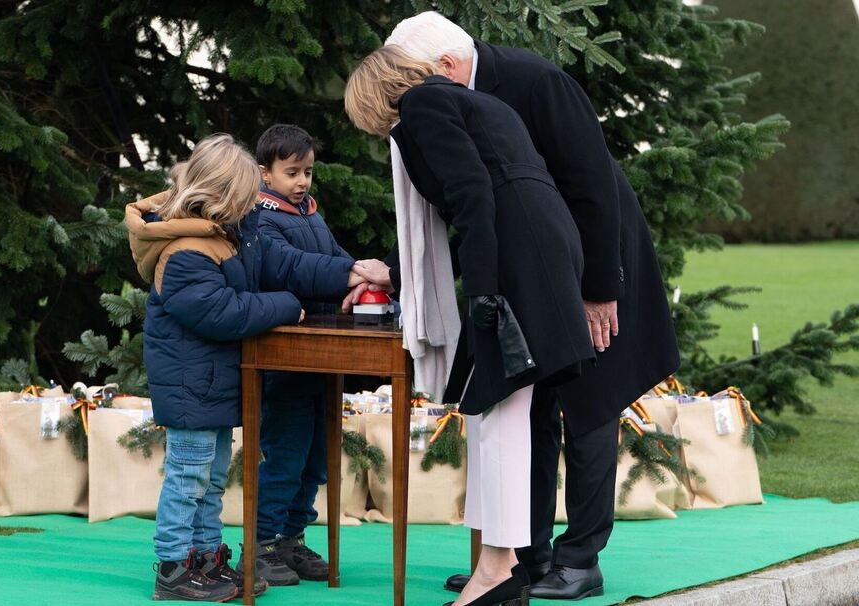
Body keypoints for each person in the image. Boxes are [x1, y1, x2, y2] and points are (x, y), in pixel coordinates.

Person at [350, 12, 681, 601]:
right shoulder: (458, 98)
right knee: (529, 406)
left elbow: (591, 184)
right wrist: (402, 275)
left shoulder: (534, 81)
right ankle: (524, 556)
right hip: (534, 260)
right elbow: (477, 210)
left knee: (590, 400)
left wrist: (600, 287)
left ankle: (581, 558)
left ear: (445, 66)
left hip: (596, 256)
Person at [345, 45, 596, 606]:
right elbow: (484, 199)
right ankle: (501, 564)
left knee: (503, 411)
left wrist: (483, 293)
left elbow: (471, 197)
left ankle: (499, 572)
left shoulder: (421, 107)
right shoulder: (470, 101)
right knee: (499, 411)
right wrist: (405, 271)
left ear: (377, 96)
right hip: (543, 244)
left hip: (518, 257)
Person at [125, 134, 363, 602]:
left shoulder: (224, 234)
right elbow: (221, 311)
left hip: (210, 388)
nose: (251, 209)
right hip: (192, 388)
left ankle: (208, 558)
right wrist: (284, 305)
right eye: (242, 199)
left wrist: (354, 272)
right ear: (218, 195)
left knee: (210, 479)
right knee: (188, 477)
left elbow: (285, 261)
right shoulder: (185, 252)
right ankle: (173, 567)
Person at [244, 124, 354, 585]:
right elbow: (291, 267)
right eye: (292, 172)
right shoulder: (261, 218)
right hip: (285, 358)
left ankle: (292, 537)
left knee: (315, 456)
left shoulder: (311, 212)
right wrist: (352, 272)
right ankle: (263, 542)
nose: (303, 181)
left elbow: (332, 255)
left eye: (308, 171)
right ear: (265, 174)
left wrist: (365, 276)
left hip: (323, 358)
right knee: (286, 453)